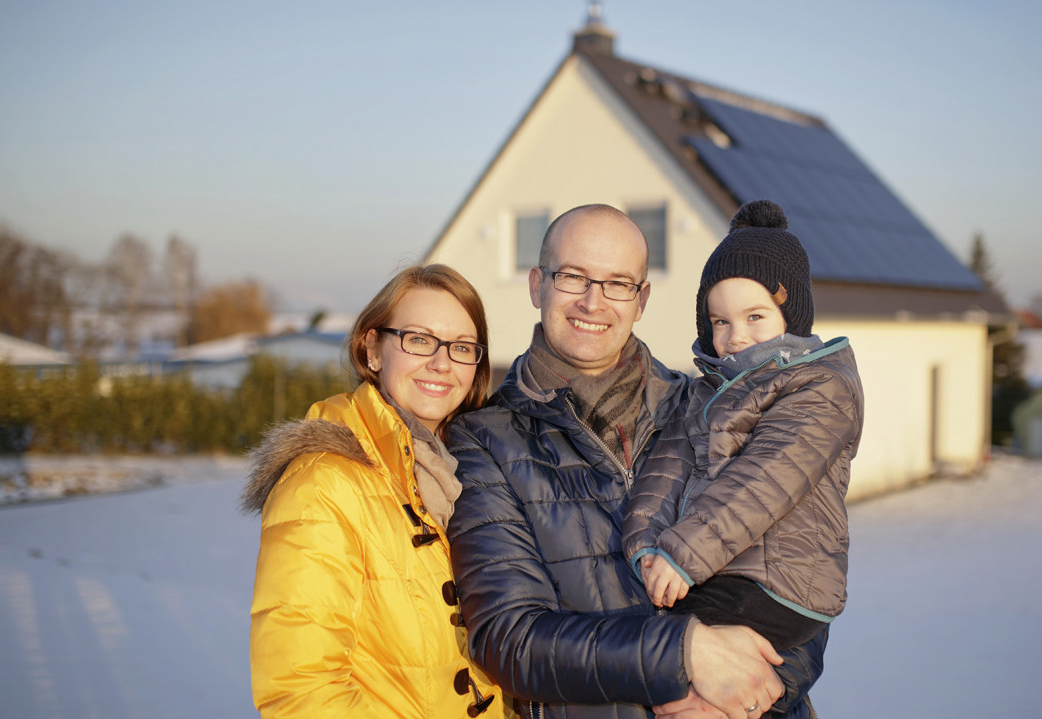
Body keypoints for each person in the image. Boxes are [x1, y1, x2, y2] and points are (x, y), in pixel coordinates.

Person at [446, 204, 826, 719]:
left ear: (641, 299)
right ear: (538, 285)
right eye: (572, 276)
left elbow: (800, 569)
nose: (592, 301)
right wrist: (684, 650)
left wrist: (763, 687)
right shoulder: (484, 441)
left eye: (617, 283)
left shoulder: (710, 407)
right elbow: (511, 640)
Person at [241, 264, 505, 719]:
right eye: (419, 340)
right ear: (373, 348)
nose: (442, 363)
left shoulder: (474, 472)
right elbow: (301, 691)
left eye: (461, 347)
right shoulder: (323, 483)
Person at [622, 199, 864, 655]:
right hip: (709, 568)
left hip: (779, 584)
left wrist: (681, 553)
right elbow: (665, 471)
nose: (735, 336)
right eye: (720, 321)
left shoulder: (821, 388)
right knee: (645, 651)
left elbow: (765, 479)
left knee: (661, 654)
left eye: (755, 317)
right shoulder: (705, 391)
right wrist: (646, 547)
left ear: (790, 315)